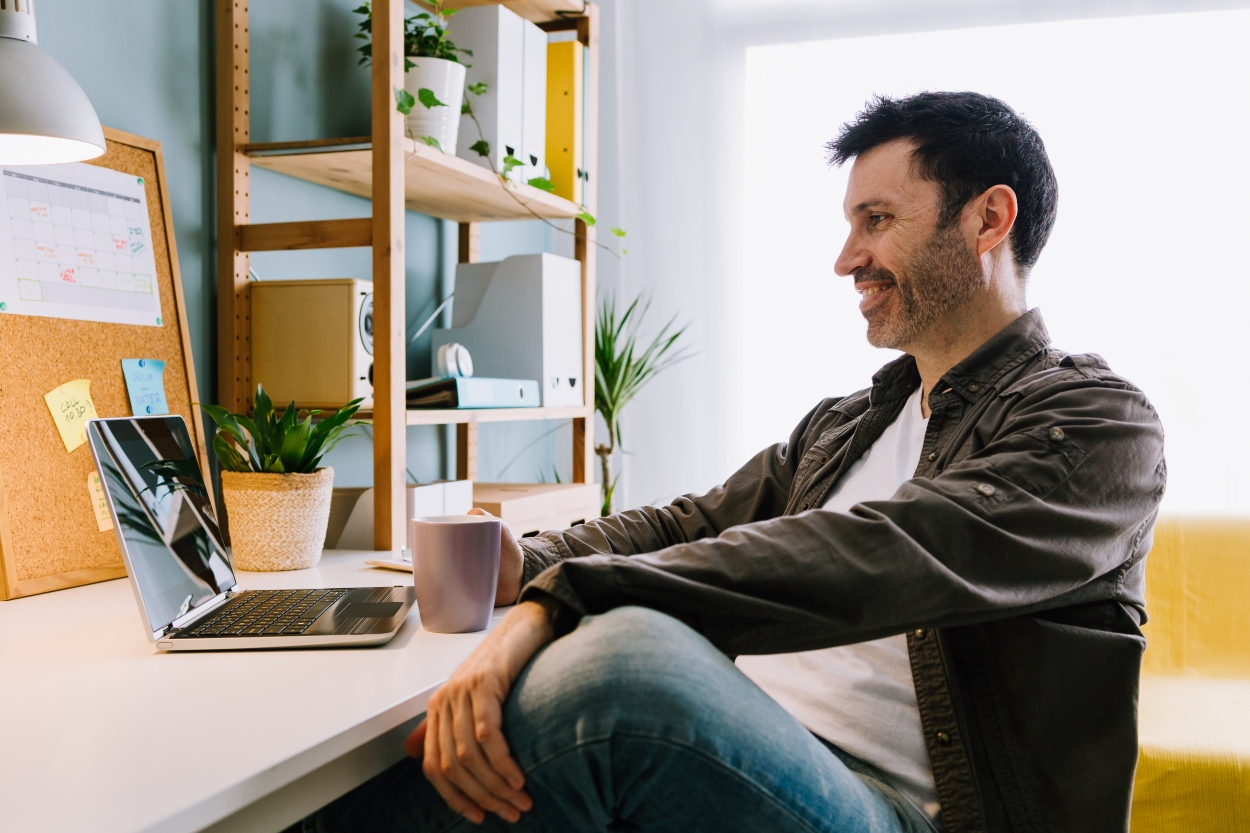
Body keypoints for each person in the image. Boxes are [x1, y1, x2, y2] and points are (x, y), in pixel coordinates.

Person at [298, 91, 1166, 833]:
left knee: (625, 666)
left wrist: (563, 601)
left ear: (988, 218)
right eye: (849, 224)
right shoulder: (852, 421)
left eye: (879, 220)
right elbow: (694, 521)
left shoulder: (1097, 425)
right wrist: (528, 559)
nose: (846, 258)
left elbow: (881, 553)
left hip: (907, 808)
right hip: (763, 748)